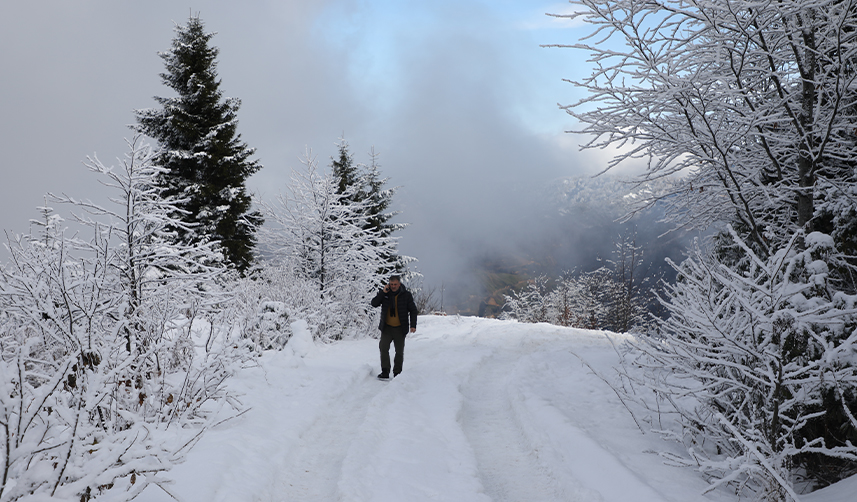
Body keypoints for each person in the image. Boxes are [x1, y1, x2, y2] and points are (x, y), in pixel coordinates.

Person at [371, 275, 417, 379]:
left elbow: (413, 310)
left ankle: (397, 373)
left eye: (395, 284)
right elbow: (374, 303)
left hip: (400, 328)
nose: (393, 286)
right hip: (387, 327)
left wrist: (413, 325)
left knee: (399, 352)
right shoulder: (385, 294)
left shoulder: (406, 295)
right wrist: (383, 293)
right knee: (383, 348)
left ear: (399, 284)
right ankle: (385, 371)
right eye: (391, 284)